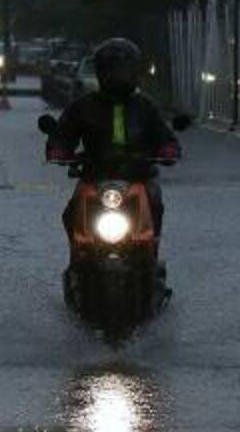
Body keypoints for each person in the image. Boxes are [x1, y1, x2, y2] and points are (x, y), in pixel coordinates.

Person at [44, 38, 181, 265]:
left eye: (124, 71)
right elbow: (64, 133)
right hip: (95, 175)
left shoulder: (145, 106)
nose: (118, 76)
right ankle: (78, 259)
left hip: (139, 175)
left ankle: (151, 255)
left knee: (155, 204)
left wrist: (168, 149)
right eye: (112, 71)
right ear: (101, 72)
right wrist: (58, 149)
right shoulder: (84, 105)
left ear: (135, 72)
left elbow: (164, 135)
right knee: (71, 213)